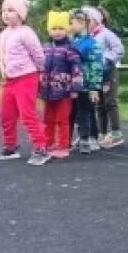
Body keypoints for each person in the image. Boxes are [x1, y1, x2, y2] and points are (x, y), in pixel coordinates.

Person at [0, 0, 50, 166]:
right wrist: (3, 68)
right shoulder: (3, 34)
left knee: (27, 114)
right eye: (4, 11)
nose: (6, 14)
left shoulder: (26, 33)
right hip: (9, 79)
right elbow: (2, 55)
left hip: (26, 77)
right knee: (6, 115)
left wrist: (40, 71)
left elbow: (38, 54)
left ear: (21, 14)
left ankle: (40, 148)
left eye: (11, 10)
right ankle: (10, 147)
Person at [40, 10, 83, 160]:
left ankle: (63, 145)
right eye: (54, 28)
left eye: (61, 29)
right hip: (47, 89)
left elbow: (76, 68)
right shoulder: (45, 47)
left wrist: (75, 87)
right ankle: (48, 143)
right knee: (48, 118)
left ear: (67, 29)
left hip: (64, 90)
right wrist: (39, 84)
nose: (57, 32)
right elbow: (40, 66)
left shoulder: (70, 47)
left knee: (62, 118)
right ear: (49, 30)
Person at [85, 6, 125, 149]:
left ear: (95, 21)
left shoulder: (106, 34)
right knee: (99, 104)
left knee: (110, 102)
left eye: (87, 21)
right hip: (96, 75)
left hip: (108, 72)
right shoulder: (88, 37)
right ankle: (102, 133)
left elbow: (119, 50)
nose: (85, 24)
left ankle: (116, 133)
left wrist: (107, 59)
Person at [70, 9, 103, 154]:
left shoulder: (91, 43)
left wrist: (94, 87)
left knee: (87, 111)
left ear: (82, 23)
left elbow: (96, 66)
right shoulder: (72, 41)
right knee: (75, 113)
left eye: (72, 23)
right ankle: (82, 136)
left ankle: (91, 137)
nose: (70, 26)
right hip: (73, 85)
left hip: (86, 84)